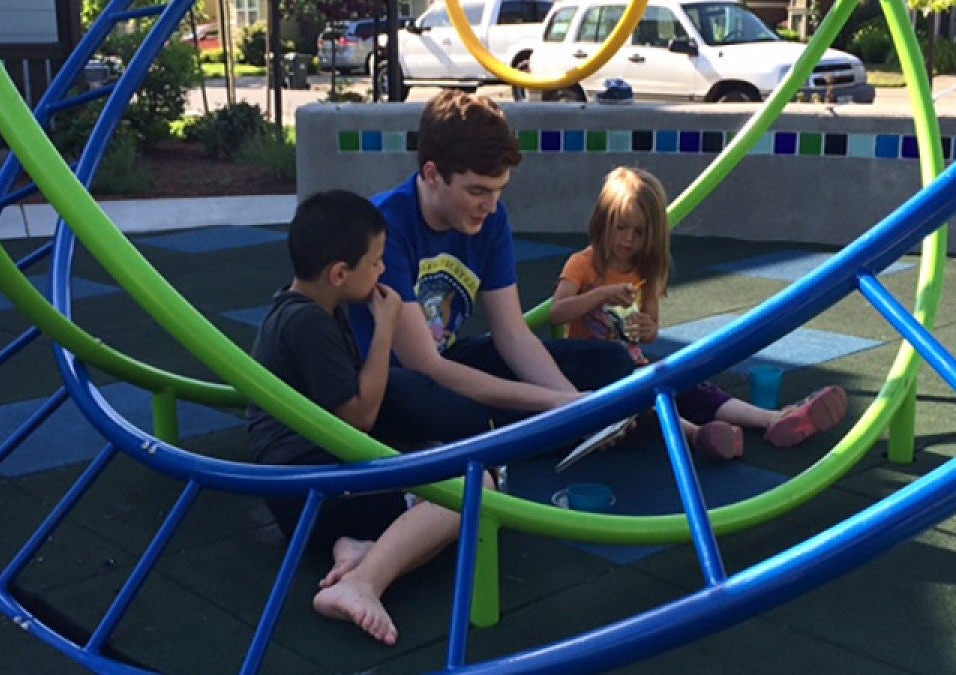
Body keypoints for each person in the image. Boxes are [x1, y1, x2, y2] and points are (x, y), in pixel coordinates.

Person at [246, 189, 493, 646]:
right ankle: (363, 584)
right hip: (310, 493)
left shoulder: (304, 308)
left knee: (441, 461)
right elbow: (359, 415)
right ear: (340, 273)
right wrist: (385, 327)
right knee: (475, 487)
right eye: (376, 262)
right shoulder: (309, 324)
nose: (382, 271)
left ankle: (356, 544)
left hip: (309, 488)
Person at [347, 89, 636, 444]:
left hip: (448, 360)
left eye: (499, 190)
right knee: (438, 404)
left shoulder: (492, 219)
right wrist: (560, 403)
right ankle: (522, 431)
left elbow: (512, 334)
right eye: (477, 191)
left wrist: (574, 405)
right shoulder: (383, 228)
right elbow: (424, 364)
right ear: (433, 174)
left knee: (610, 363)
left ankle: (535, 430)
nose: (490, 205)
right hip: (394, 379)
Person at [549, 166, 849, 458]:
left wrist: (645, 328)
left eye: (638, 233)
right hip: (599, 376)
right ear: (604, 221)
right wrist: (598, 295)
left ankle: (773, 419)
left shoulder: (644, 271)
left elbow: (651, 331)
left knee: (689, 385)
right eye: (621, 227)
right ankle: (697, 435)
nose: (628, 239)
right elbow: (557, 313)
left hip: (638, 366)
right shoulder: (583, 264)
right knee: (643, 401)